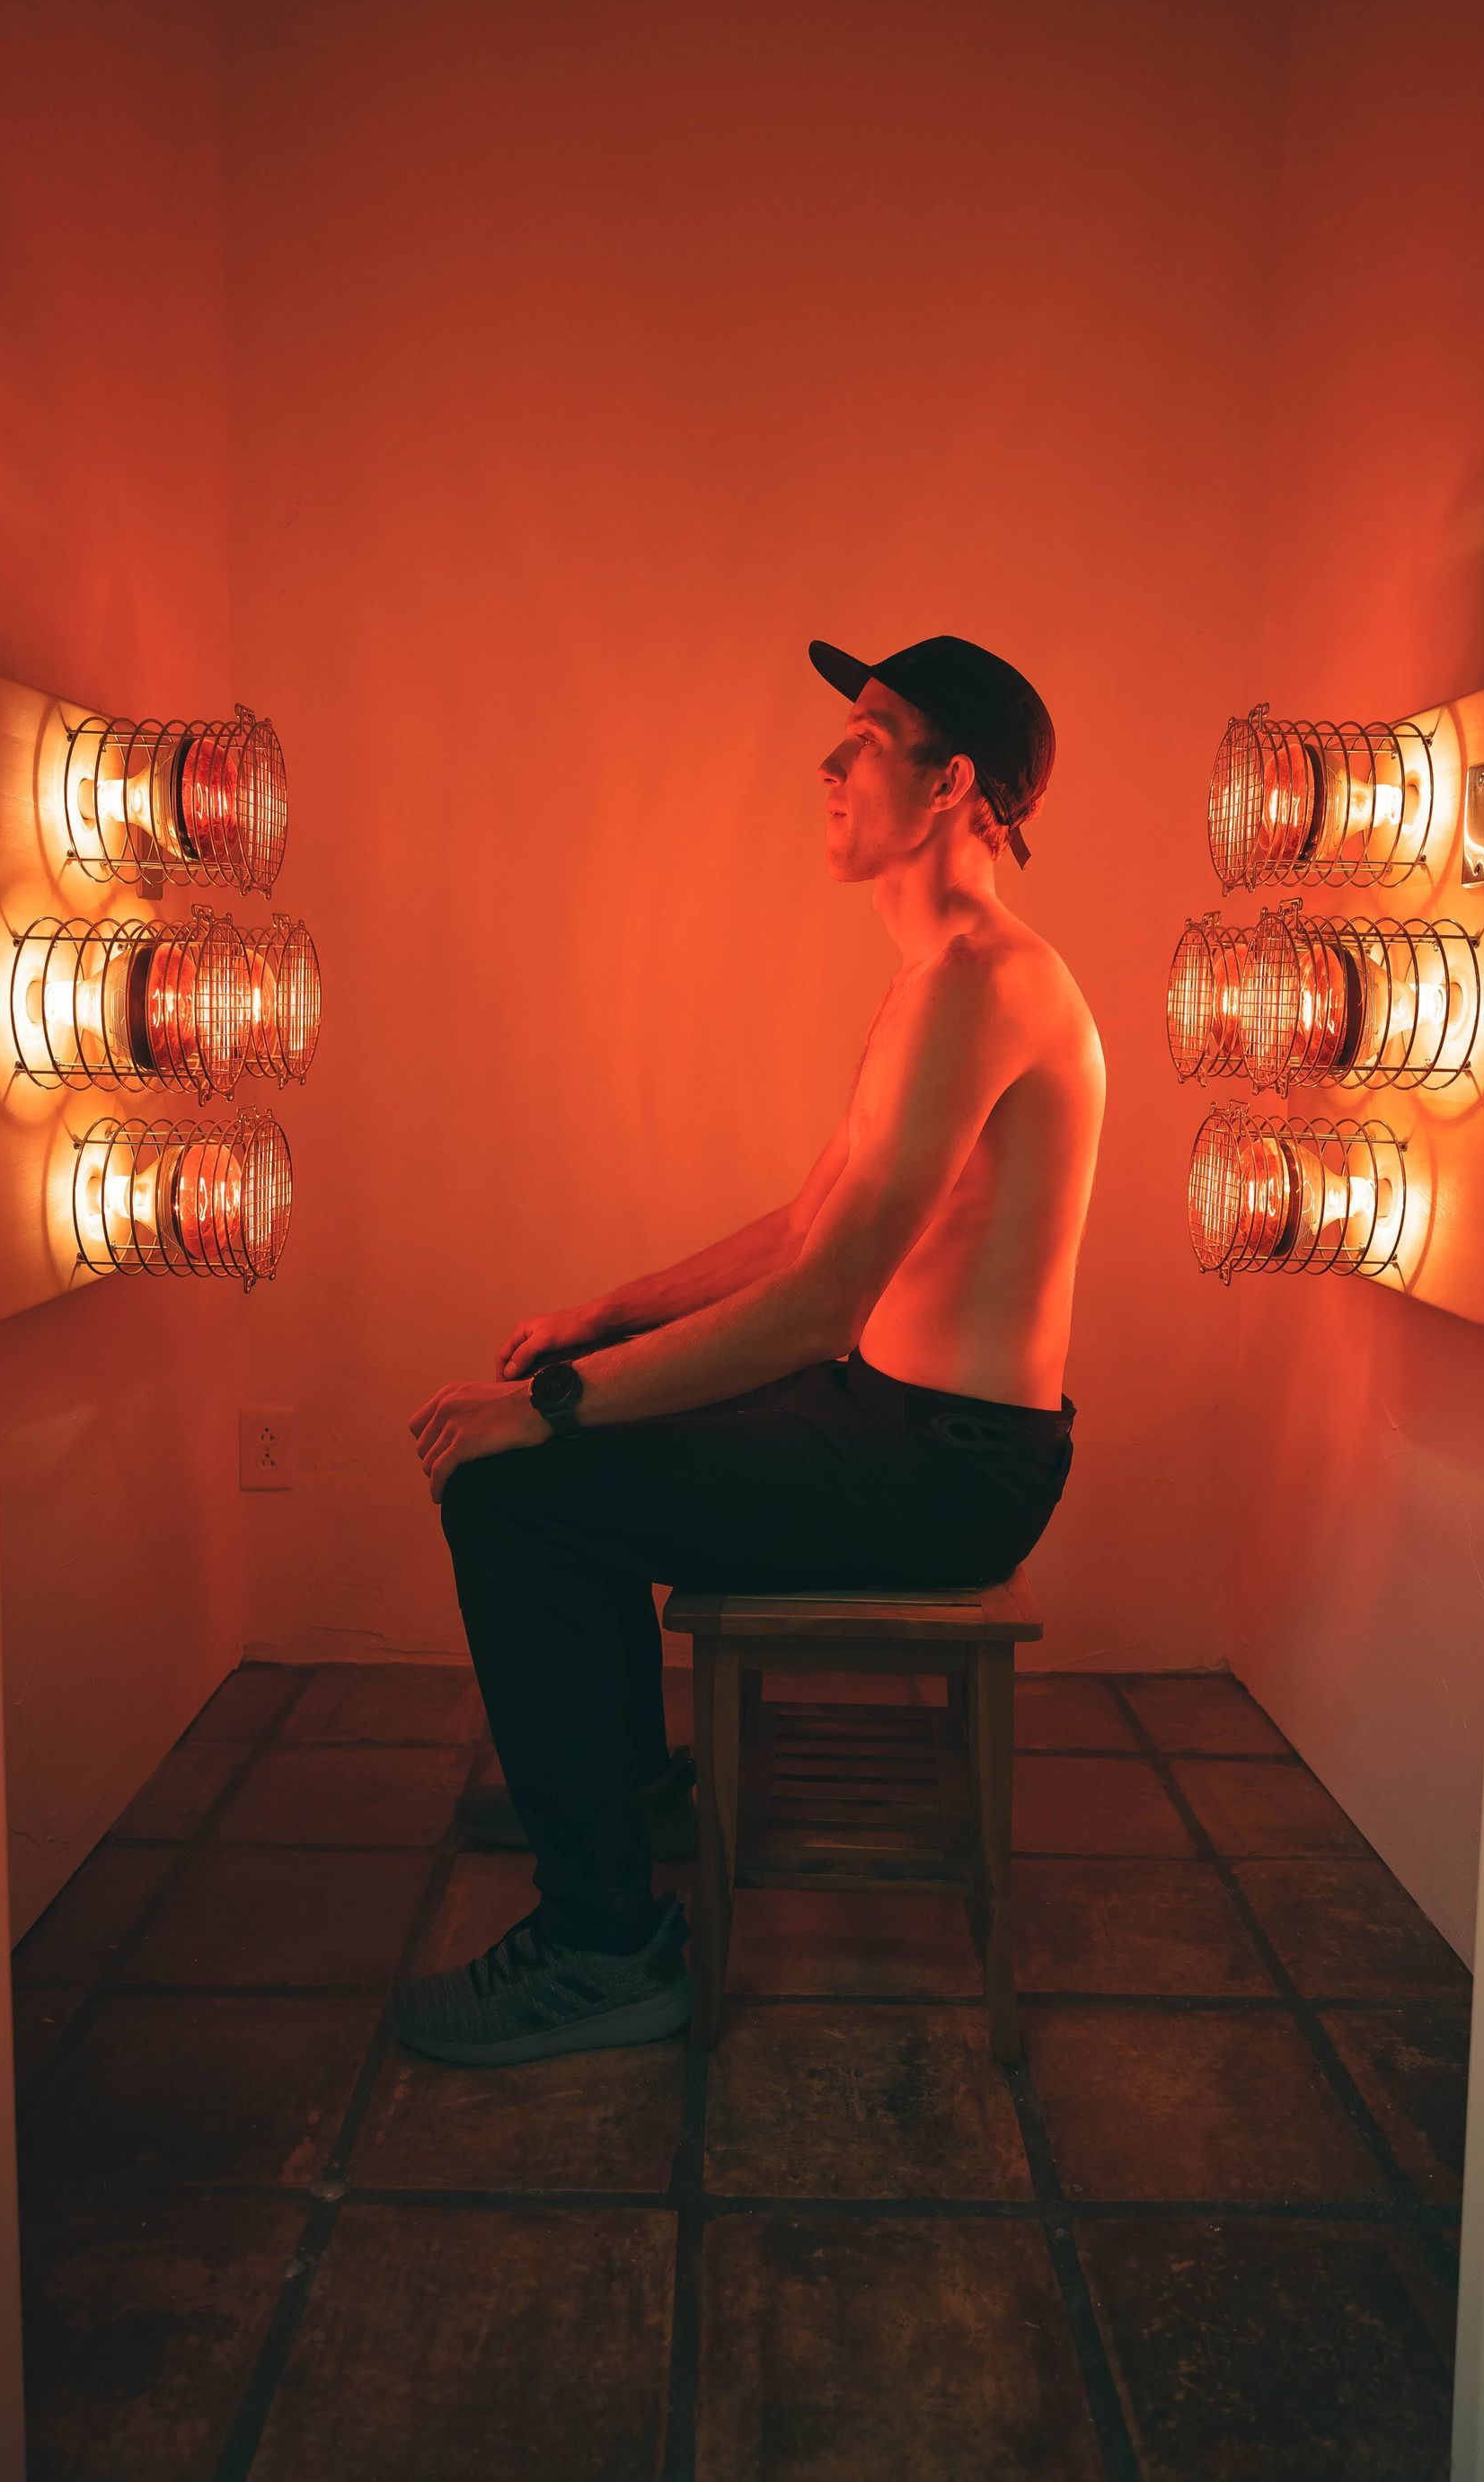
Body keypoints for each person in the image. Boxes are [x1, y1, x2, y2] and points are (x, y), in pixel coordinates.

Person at [394, 634, 1105, 2064]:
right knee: (556, 1461)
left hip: (946, 1472)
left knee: (512, 1494)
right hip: (891, 1422)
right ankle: (631, 1792)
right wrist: (602, 1317)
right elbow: (807, 1229)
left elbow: (817, 1306)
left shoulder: (983, 984)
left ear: (951, 781)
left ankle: (604, 1947)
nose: (831, 765)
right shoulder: (935, 979)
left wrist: (554, 1407)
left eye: (867, 735)